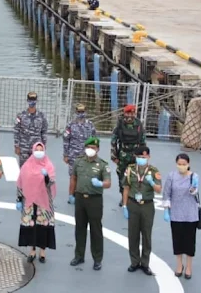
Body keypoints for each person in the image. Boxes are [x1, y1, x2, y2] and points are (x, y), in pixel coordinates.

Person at [69, 137, 111, 271]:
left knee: (96, 230)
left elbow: (108, 183)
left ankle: (97, 259)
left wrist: (100, 184)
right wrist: (71, 194)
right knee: (79, 228)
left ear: (97, 149)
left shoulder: (103, 165)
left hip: (95, 199)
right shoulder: (79, 162)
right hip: (80, 198)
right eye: (89, 148)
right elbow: (73, 178)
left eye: (93, 148)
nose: (91, 150)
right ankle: (79, 256)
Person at [121, 146, 162, 276]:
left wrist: (151, 182)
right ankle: (134, 262)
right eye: (139, 157)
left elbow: (158, 189)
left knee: (146, 235)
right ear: (135, 157)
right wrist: (124, 205)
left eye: (144, 157)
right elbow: (126, 188)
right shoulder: (130, 170)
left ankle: (145, 263)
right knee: (133, 235)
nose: (141, 159)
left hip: (147, 206)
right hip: (133, 204)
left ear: (148, 157)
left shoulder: (154, 171)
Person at [16, 142, 56, 263]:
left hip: (44, 202)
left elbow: (51, 183)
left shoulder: (49, 165)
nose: (39, 152)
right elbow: (20, 182)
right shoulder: (26, 166)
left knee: (43, 226)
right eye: (36, 149)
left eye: (41, 149)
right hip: (30, 201)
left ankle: (42, 251)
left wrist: (46, 177)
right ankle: (32, 250)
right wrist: (19, 199)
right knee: (31, 226)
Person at [162, 153, 200, 279]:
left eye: (184, 164)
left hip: (190, 215)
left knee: (189, 242)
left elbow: (194, 193)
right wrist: (166, 210)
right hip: (176, 214)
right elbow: (166, 193)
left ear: (188, 164)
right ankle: (179, 265)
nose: (181, 166)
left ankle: (189, 266)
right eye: (179, 164)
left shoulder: (194, 176)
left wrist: (193, 186)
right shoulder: (171, 176)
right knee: (177, 241)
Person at [111, 104, 146, 206]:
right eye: (128, 113)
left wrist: (143, 156)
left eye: (132, 113)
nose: (130, 115)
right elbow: (114, 141)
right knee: (122, 176)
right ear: (124, 113)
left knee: (137, 176)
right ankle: (123, 197)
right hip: (123, 154)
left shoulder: (139, 125)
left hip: (136, 155)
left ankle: (134, 196)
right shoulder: (119, 125)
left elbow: (143, 141)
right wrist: (114, 156)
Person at [63, 103, 96, 204]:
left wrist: (93, 153)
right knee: (73, 176)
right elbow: (66, 140)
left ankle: (82, 195)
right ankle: (71, 195)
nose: (81, 114)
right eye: (79, 112)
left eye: (82, 112)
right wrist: (65, 154)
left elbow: (94, 140)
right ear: (76, 112)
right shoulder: (71, 125)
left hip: (86, 155)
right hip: (73, 155)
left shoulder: (90, 125)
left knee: (85, 175)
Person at [14, 92, 48, 168]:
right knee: (23, 169)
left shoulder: (42, 116)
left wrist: (44, 146)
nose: (32, 102)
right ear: (27, 101)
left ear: (36, 101)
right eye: (30, 100)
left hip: (37, 148)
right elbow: (17, 131)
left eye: (33, 100)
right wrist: (17, 146)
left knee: (36, 169)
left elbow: (44, 131)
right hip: (24, 147)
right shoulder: (21, 115)